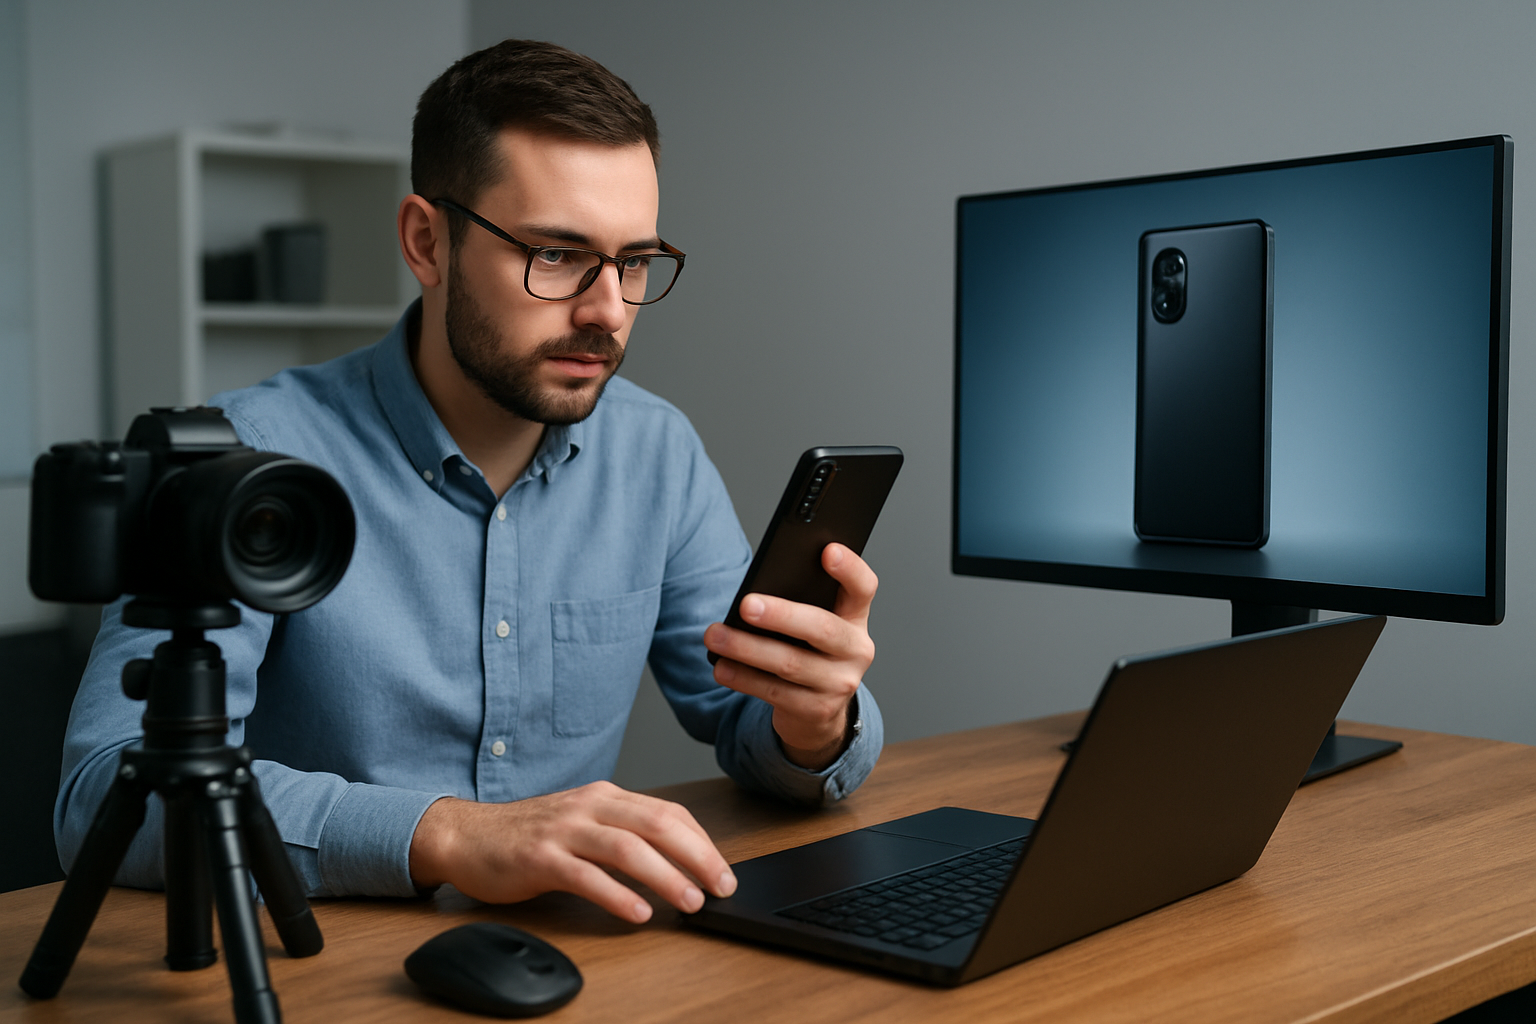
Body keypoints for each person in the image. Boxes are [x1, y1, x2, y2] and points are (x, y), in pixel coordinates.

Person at [56, 39, 885, 925]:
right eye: (557, 254)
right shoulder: (241, 456)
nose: (607, 310)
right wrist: (446, 836)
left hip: (577, 967)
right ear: (427, 242)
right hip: (310, 970)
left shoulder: (657, 451)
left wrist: (814, 721)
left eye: (634, 261)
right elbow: (107, 798)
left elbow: (745, 722)